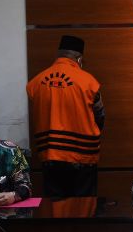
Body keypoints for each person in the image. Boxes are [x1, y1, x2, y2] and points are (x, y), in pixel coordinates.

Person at [27, 35, 105, 197]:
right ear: (79, 58)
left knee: (56, 212)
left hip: (50, 155)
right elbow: (100, 116)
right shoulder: (89, 82)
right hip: (83, 156)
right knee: (83, 209)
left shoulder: (36, 82)